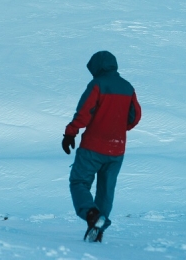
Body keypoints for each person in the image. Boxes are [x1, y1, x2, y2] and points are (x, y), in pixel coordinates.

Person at [62, 51, 141, 242]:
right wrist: (118, 129)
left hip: (93, 147)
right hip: (117, 149)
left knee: (79, 182)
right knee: (106, 190)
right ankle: (98, 228)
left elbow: (84, 112)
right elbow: (135, 116)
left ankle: (92, 215)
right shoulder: (128, 87)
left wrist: (70, 133)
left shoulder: (97, 84)